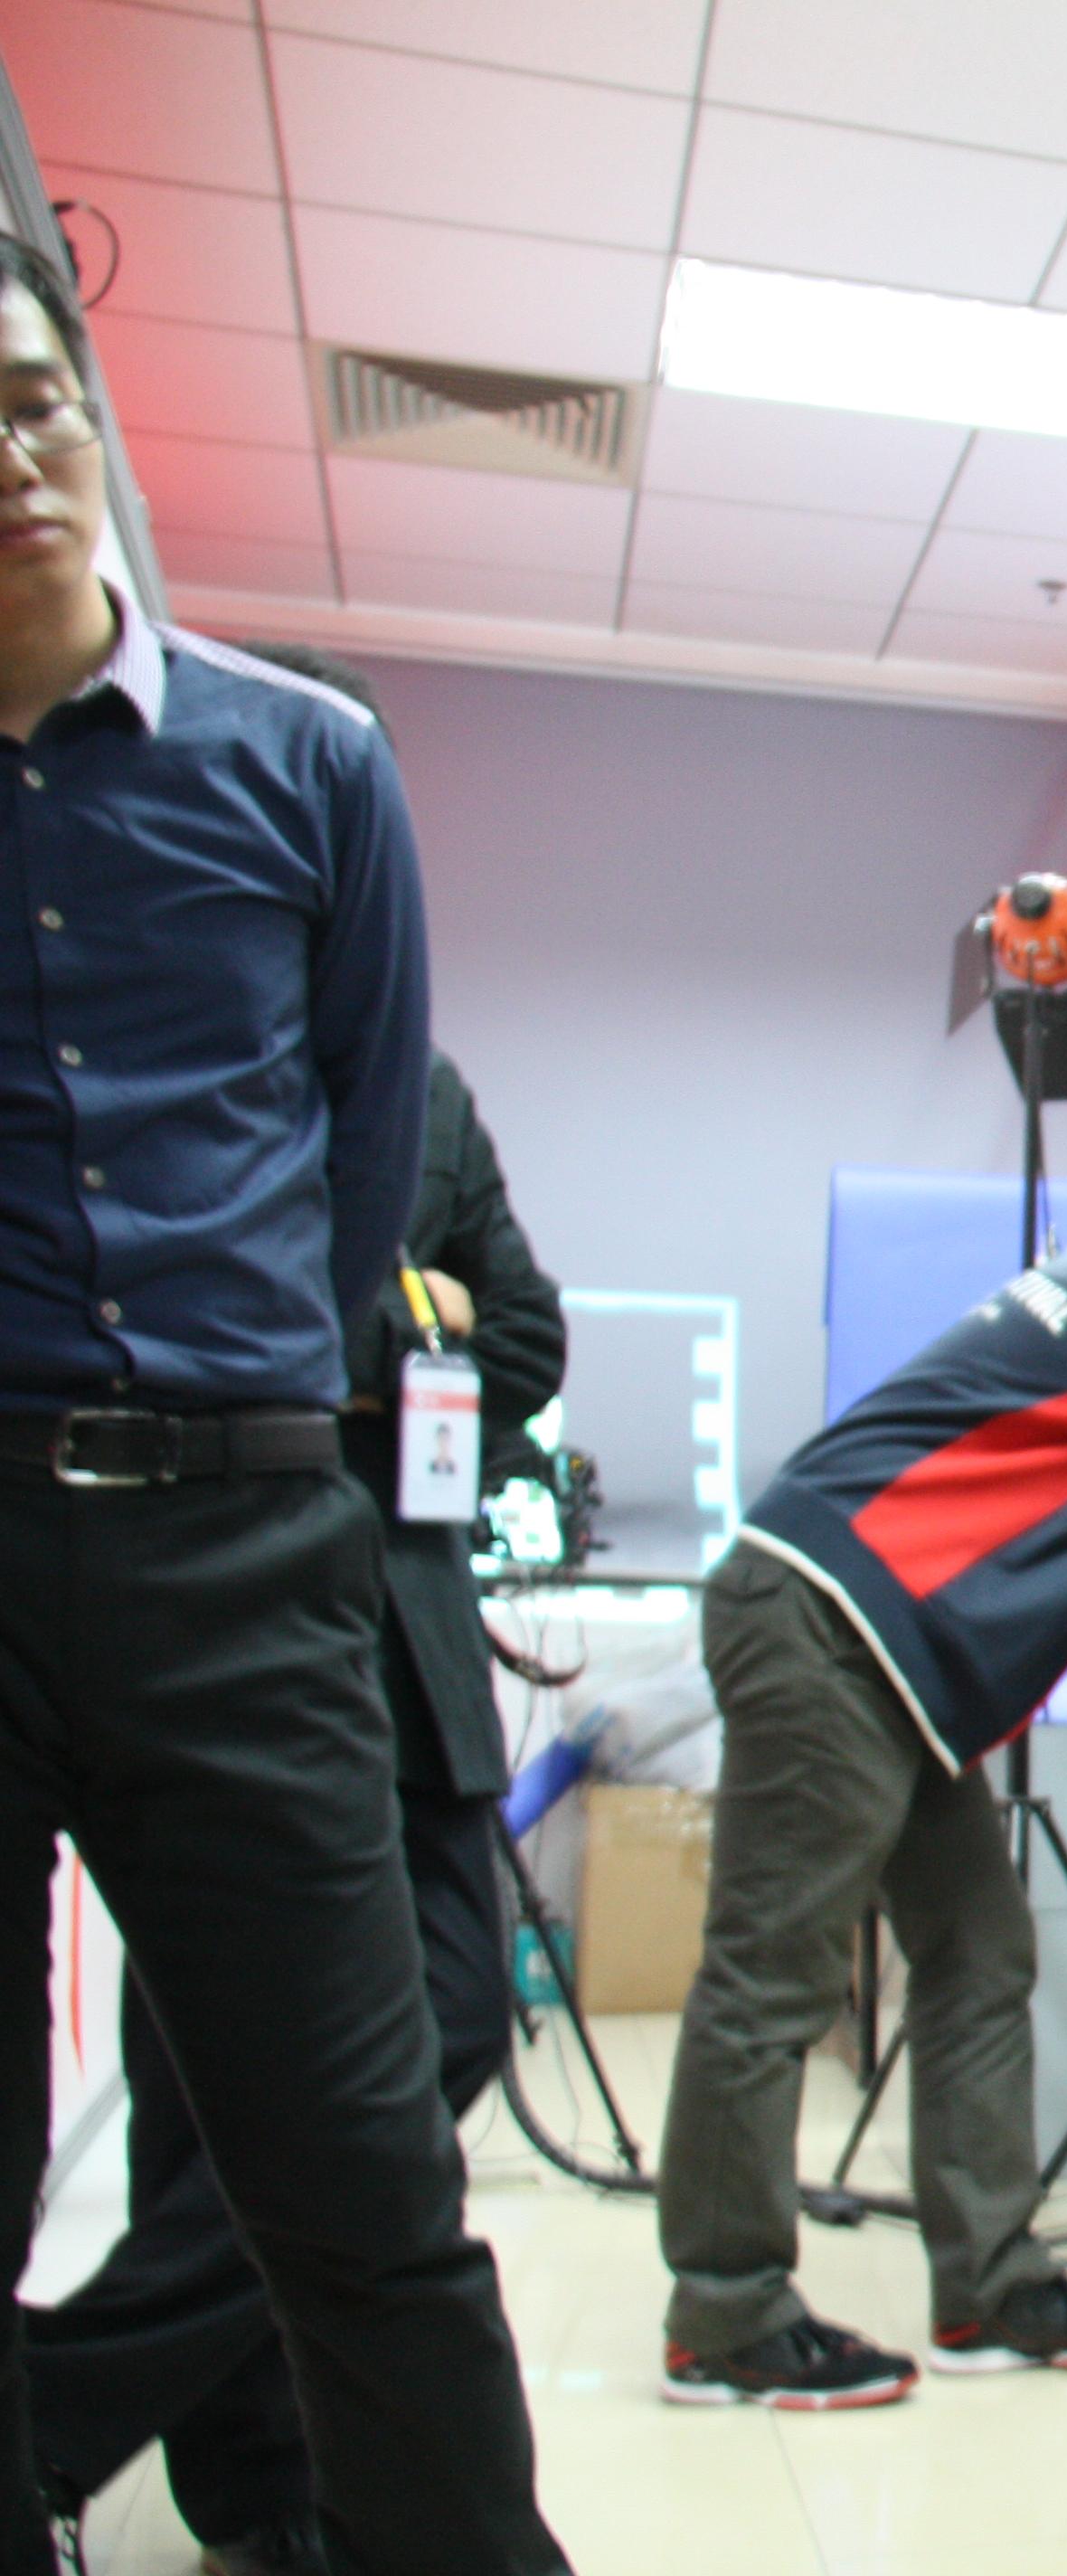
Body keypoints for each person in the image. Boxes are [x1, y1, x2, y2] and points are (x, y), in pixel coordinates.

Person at [0, 237, 566, 2576]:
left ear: (89, 411)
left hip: (242, 1555)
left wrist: (256, 1410)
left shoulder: (303, 763)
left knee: (366, 2185)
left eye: (32, 400)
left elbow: (366, 1149)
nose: (12, 460)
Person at [656, 1088, 1067, 2409]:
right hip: (837, 1624)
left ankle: (991, 2288)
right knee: (773, 1972)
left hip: (874, 1644)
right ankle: (723, 2316)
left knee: (977, 1954)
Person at [25, 1001, 564, 2570]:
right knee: (203, 2081)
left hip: (401, 1618)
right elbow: (189, 1324)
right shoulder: (151, 1057)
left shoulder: (428, 1096)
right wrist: (400, 1317)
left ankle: (61, 2400)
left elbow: (524, 1340)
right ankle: (256, 2490)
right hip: (204, 1615)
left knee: (453, 2015)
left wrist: (370, 1336)